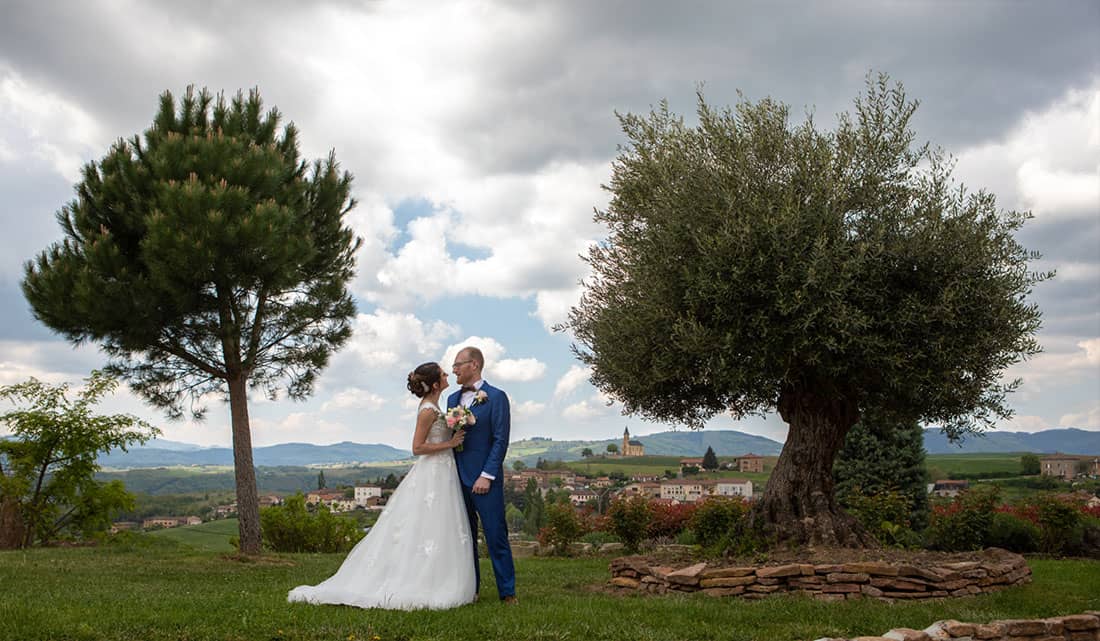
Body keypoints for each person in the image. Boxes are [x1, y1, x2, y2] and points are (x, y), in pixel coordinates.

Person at [287, 362, 476, 610]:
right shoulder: (427, 411)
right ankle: (421, 581)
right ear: (434, 384)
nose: (446, 374)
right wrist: (449, 444)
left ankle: (439, 577)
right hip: (433, 471)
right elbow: (417, 447)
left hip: (443, 471)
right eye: (442, 373)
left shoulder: (436, 407)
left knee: (438, 523)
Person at [448, 346, 517, 603]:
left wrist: (486, 475)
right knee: (465, 538)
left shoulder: (496, 397)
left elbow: (500, 440)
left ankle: (507, 592)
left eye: (458, 364)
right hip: (457, 478)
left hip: (484, 479)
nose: (454, 370)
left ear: (474, 365)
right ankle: (471, 590)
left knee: (495, 535)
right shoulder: (451, 400)